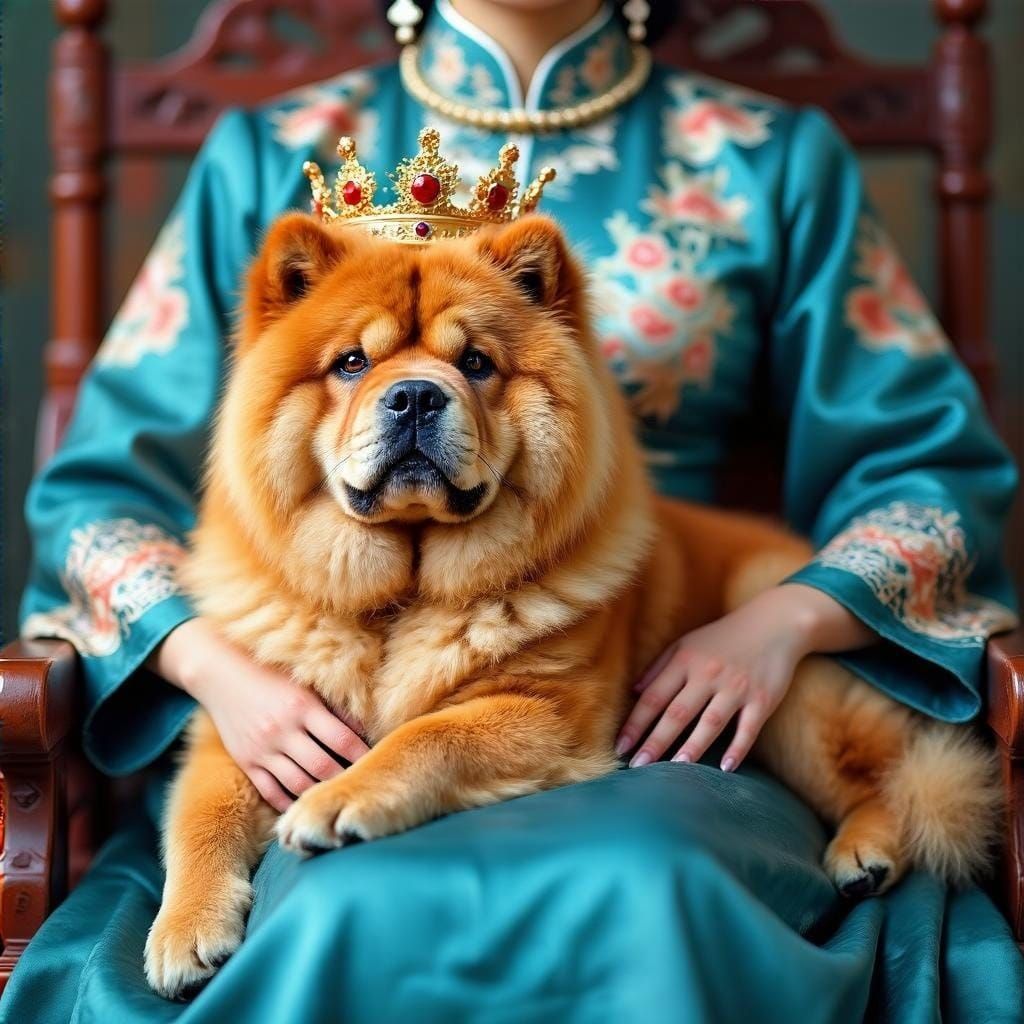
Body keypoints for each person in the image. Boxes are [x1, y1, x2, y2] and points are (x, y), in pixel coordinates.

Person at [4, 1, 1022, 1020]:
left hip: (659, 698)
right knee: (344, 896)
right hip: (303, 688)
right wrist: (216, 670)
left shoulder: (770, 158)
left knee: (646, 879)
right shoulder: (270, 155)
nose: (411, 388)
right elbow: (101, 491)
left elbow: (927, 469)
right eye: (361, 363)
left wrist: (778, 621)